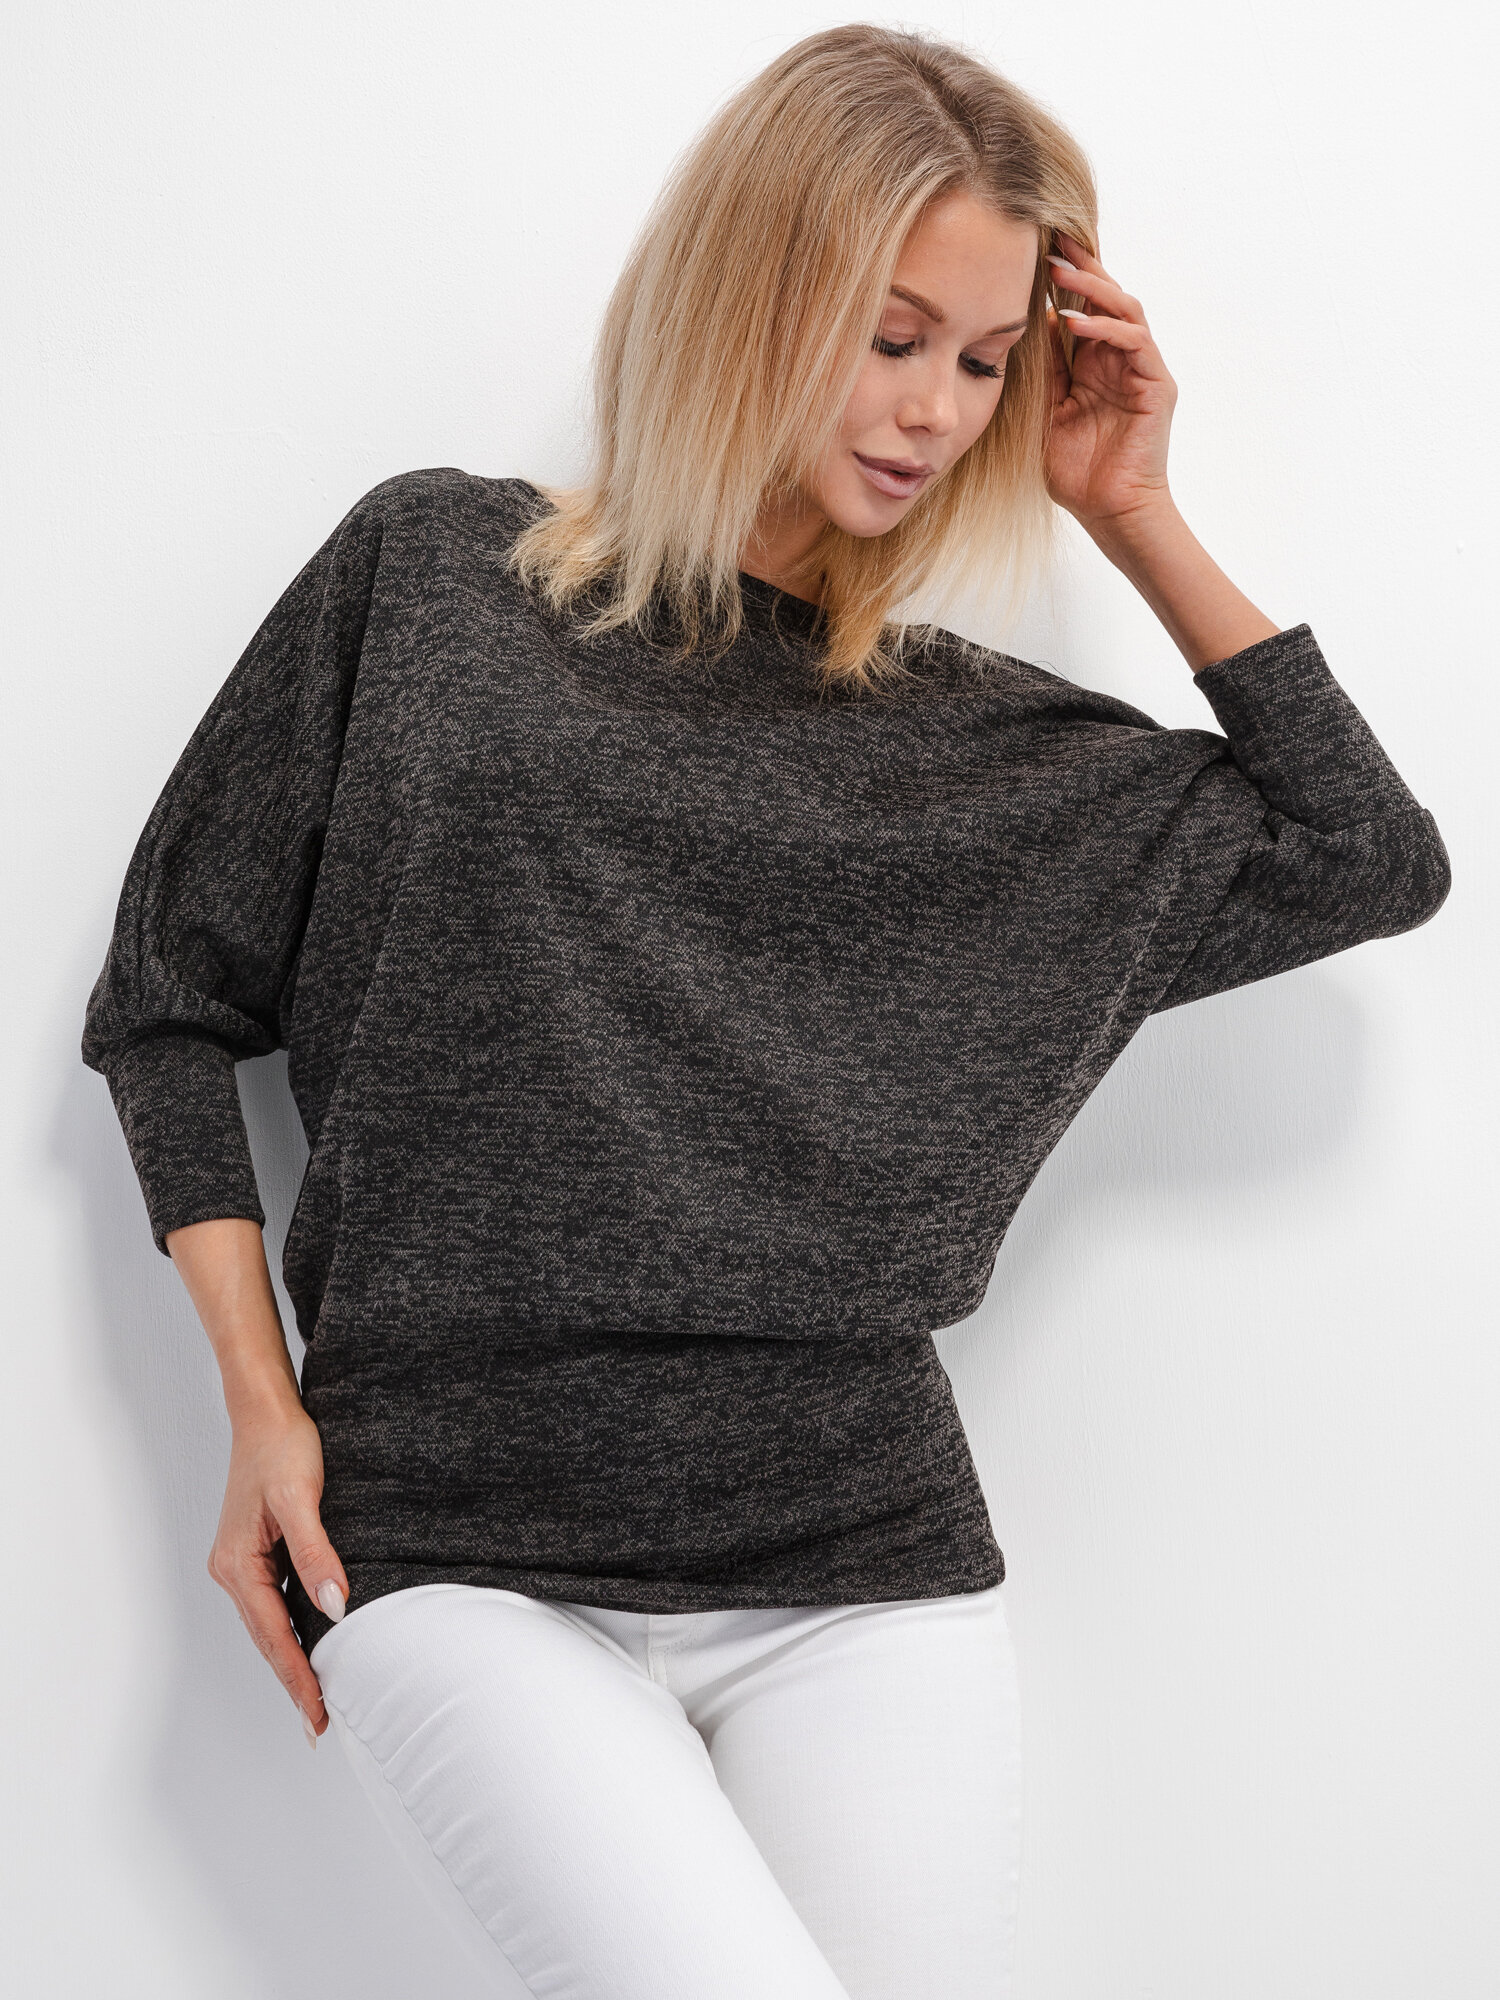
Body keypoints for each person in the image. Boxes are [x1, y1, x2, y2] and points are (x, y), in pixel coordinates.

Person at [79, 24, 1451, 2000]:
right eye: (894, 337)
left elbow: (1365, 852)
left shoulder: (966, 744)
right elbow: (171, 999)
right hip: (456, 1535)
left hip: (861, 1559)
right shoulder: (435, 578)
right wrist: (255, 1405)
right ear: (752, 287)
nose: (934, 412)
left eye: (983, 363)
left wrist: (1132, 504)